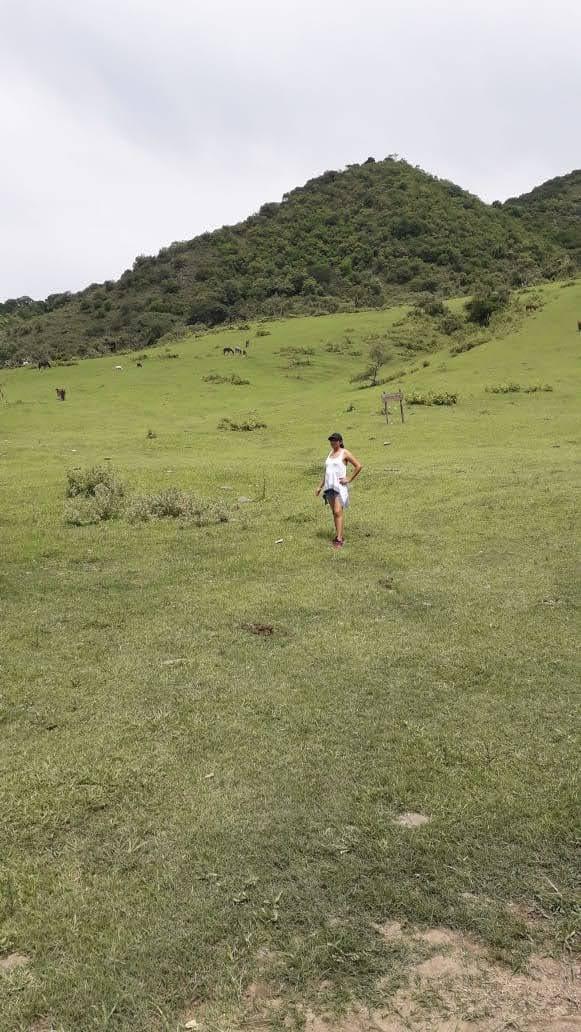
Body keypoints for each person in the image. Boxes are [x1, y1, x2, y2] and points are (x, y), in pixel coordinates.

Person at [315, 432, 363, 549]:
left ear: (340, 442)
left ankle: (339, 539)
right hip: (329, 487)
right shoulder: (330, 454)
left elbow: (358, 465)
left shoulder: (344, 452)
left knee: (337, 512)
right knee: (335, 513)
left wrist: (349, 479)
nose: (332, 442)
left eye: (335, 440)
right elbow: (327, 472)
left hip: (339, 487)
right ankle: (339, 535)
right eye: (331, 440)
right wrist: (320, 486)